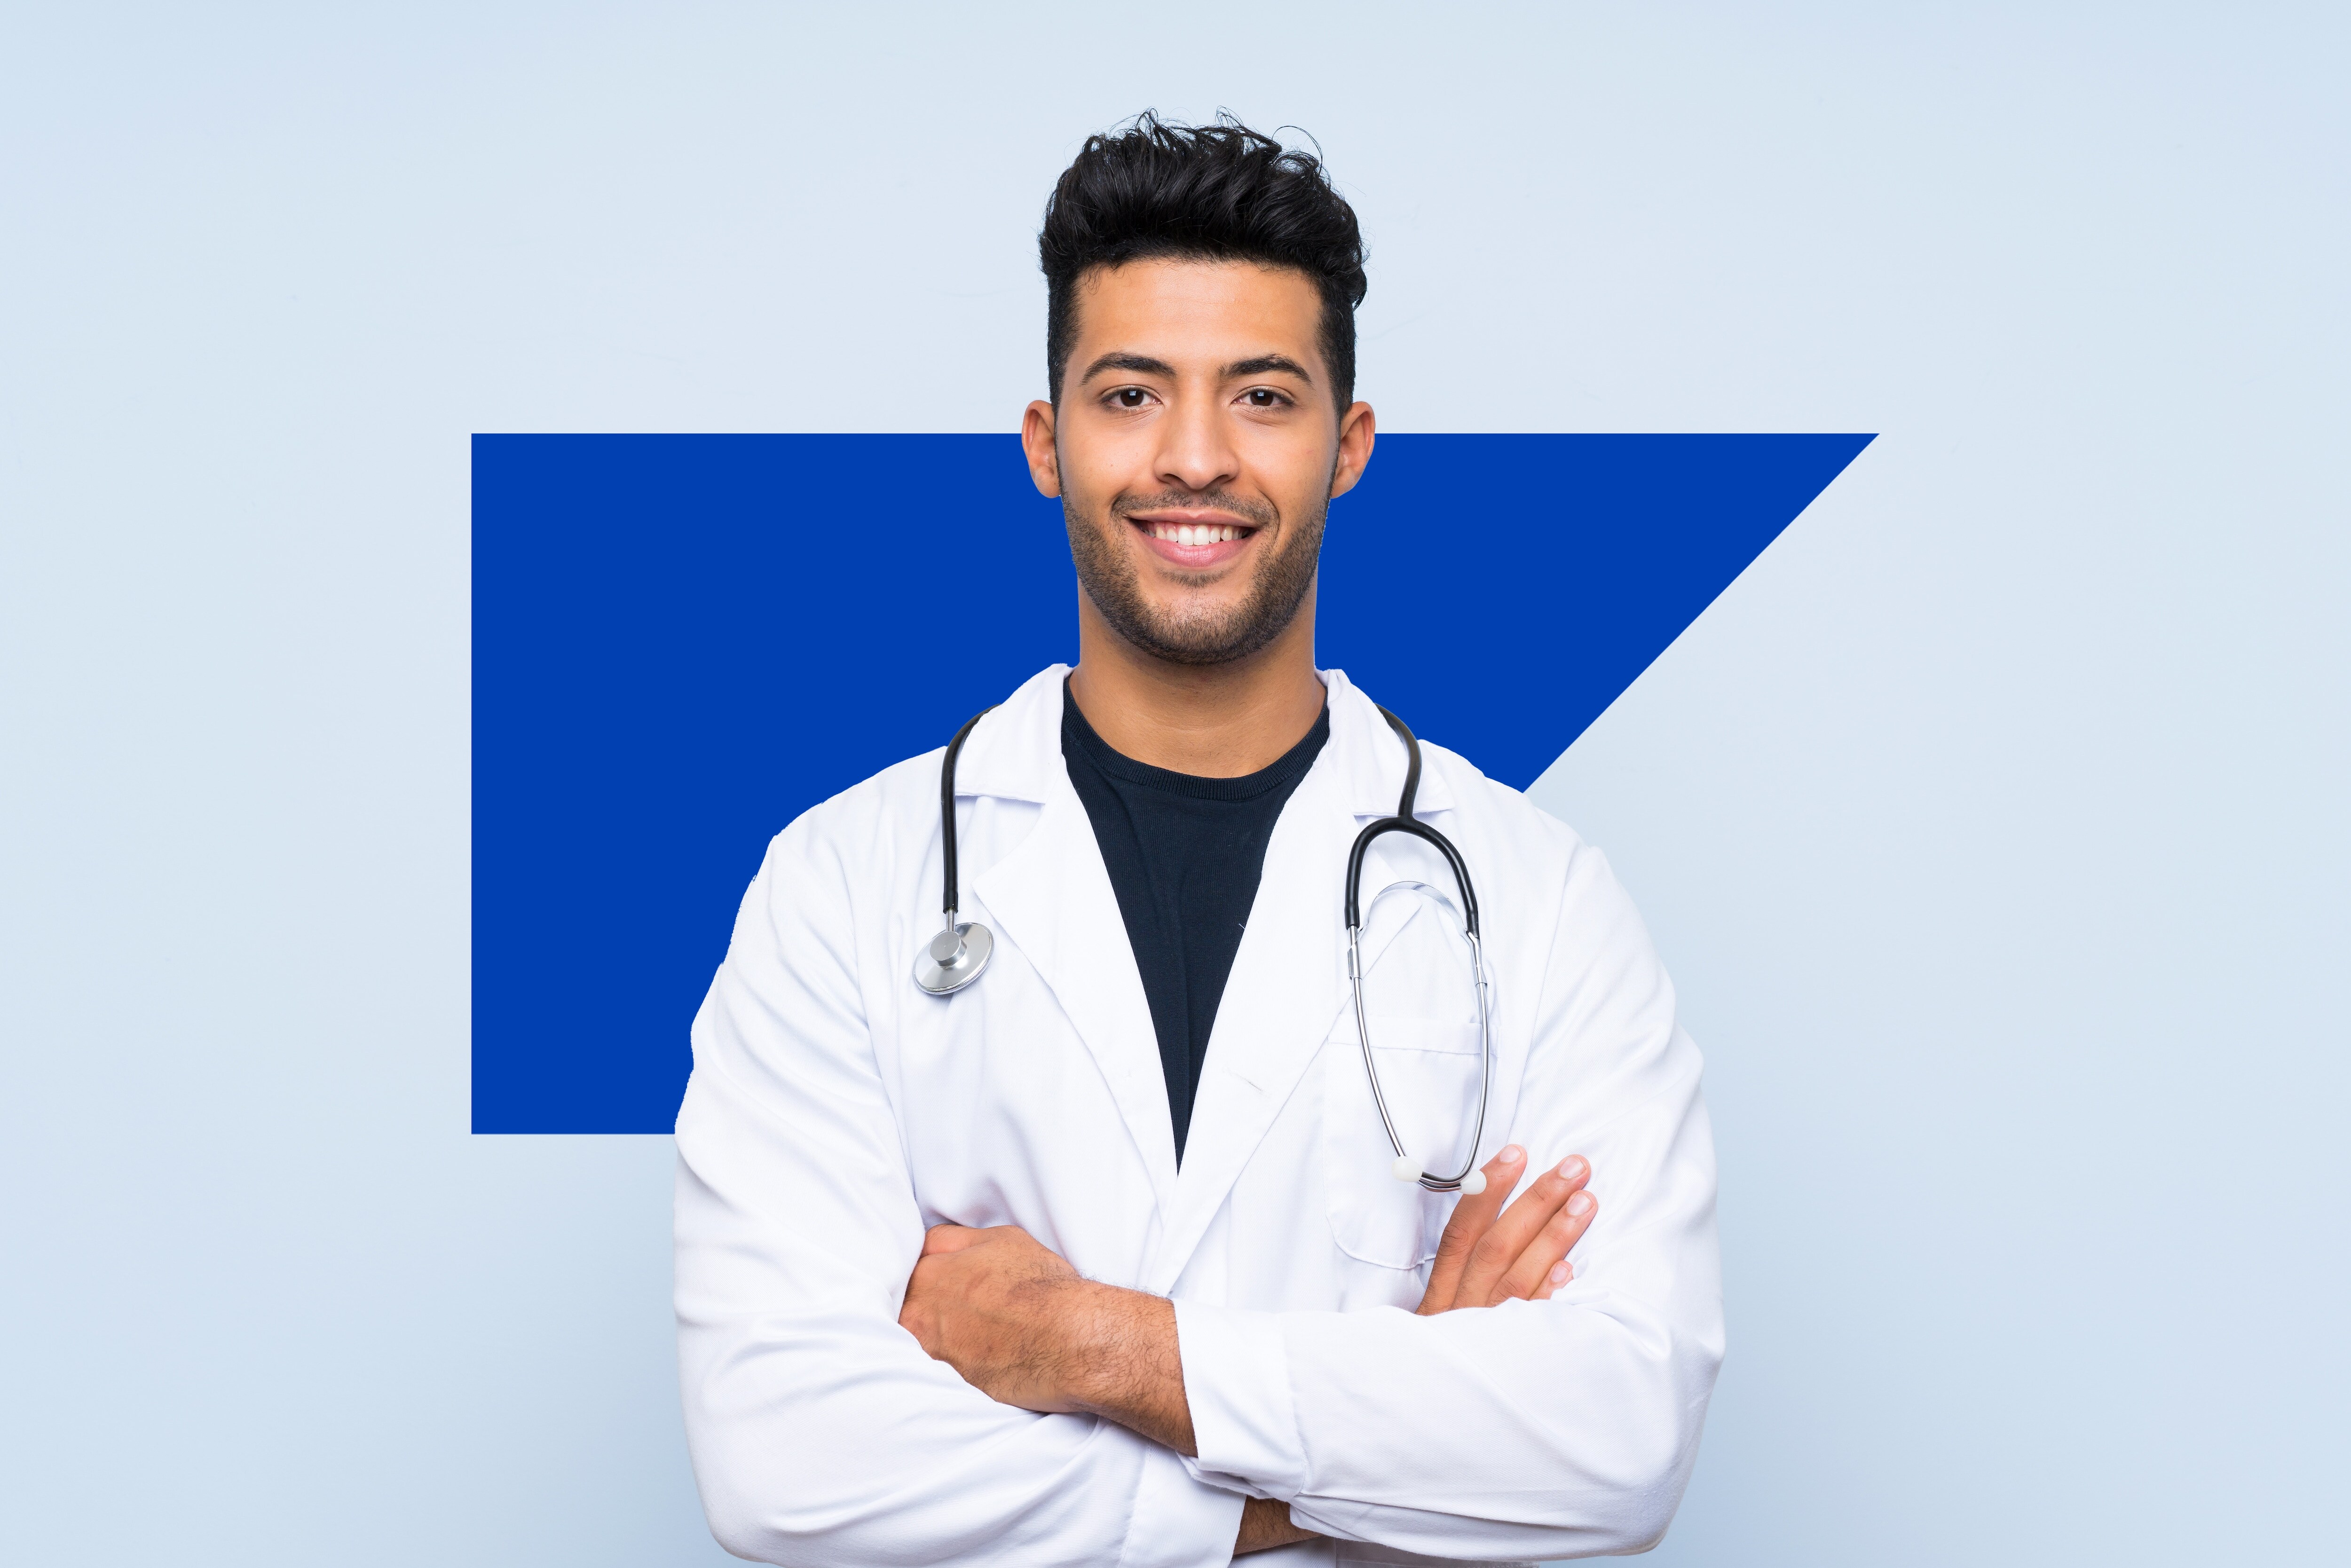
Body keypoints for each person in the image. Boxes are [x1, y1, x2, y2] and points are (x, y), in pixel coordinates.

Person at [674, 114, 1722, 1566]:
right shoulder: (843, 886)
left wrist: (1078, 1340)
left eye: (1264, 397)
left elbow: (1616, 1442)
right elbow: (787, 1467)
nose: (1194, 458)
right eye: (1130, 394)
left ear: (1348, 448)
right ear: (1047, 444)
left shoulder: (1537, 899)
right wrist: (1369, 1448)